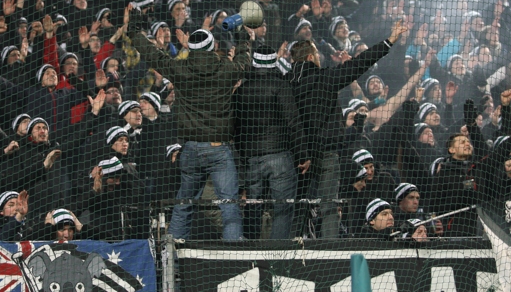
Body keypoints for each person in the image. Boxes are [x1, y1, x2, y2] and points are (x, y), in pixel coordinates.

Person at [129, 23, 255, 240]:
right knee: (228, 205)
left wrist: (135, 31)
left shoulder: (181, 69)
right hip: (218, 148)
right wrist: (243, 39)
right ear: (212, 46)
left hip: (190, 149)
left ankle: (172, 259)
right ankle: (234, 257)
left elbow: (153, 54)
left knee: (183, 204)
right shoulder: (226, 68)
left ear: (191, 47)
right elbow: (244, 64)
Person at [286, 20, 407, 239]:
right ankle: (330, 250)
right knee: (330, 205)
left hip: (297, 153)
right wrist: (389, 41)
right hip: (327, 151)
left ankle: (292, 246)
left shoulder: (285, 84)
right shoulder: (325, 78)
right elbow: (361, 63)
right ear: (312, 57)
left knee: (298, 204)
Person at [233, 46, 311, 239]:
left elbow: (236, 129)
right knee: (282, 210)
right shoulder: (281, 86)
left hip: (252, 160)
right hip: (280, 157)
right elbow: (293, 123)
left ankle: (251, 255)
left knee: (252, 209)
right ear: (273, 62)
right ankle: (279, 258)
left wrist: (243, 158)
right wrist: (303, 155)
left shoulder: (241, 90)